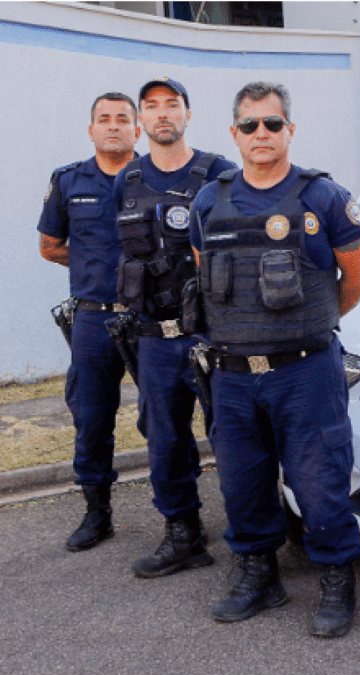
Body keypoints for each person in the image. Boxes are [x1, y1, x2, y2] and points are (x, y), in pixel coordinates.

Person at [189, 81, 360, 638]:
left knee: (319, 484)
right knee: (242, 485)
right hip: (232, 374)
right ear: (234, 135)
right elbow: (204, 271)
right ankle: (258, 575)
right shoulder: (209, 200)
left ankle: (337, 581)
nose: (261, 135)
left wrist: (314, 324)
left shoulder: (323, 197)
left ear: (289, 130)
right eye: (250, 126)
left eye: (272, 124)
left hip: (305, 372)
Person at [114, 78, 236, 577]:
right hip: (154, 338)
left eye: (172, 105)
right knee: (163, 440)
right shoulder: (128, 179)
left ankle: (252, 541)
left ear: (188, 114)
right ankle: (183, 533)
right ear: (141, 121)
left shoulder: (219, 174)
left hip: (212, 335)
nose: (162, 114)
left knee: (232, 436)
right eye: (152, 107)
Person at [39, 93, 140, 551]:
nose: (114, 125)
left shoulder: (157, 178)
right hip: (93, 321)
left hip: (152, 321)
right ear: (91, 129)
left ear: (137, 128)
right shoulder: (68, 181)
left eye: (123, 118)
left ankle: (181, 520)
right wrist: (91, 268)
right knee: (92, 419)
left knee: (164, 419)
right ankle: (97, 514)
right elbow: (50, 245)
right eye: (105, 119)